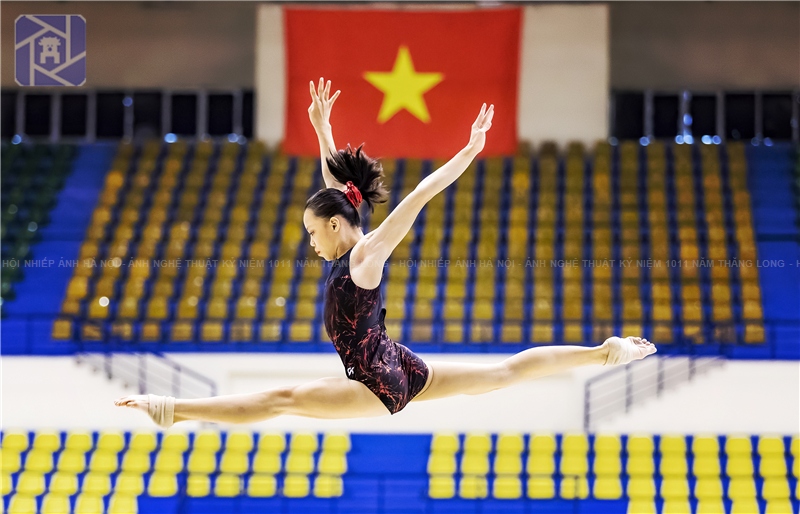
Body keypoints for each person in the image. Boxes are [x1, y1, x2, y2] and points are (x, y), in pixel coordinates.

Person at [115, 78, 656, 428]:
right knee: (501, 374)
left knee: (278, 399)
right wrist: (324, 131)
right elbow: (340, 189)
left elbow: (420, 195)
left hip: (378, 380)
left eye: (311, 232)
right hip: (396, 363)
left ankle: (171, 410)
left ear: (333, 226)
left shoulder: (365, 256)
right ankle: (605, 353)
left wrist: (468, 151)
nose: (309, 242)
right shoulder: (348, 240)